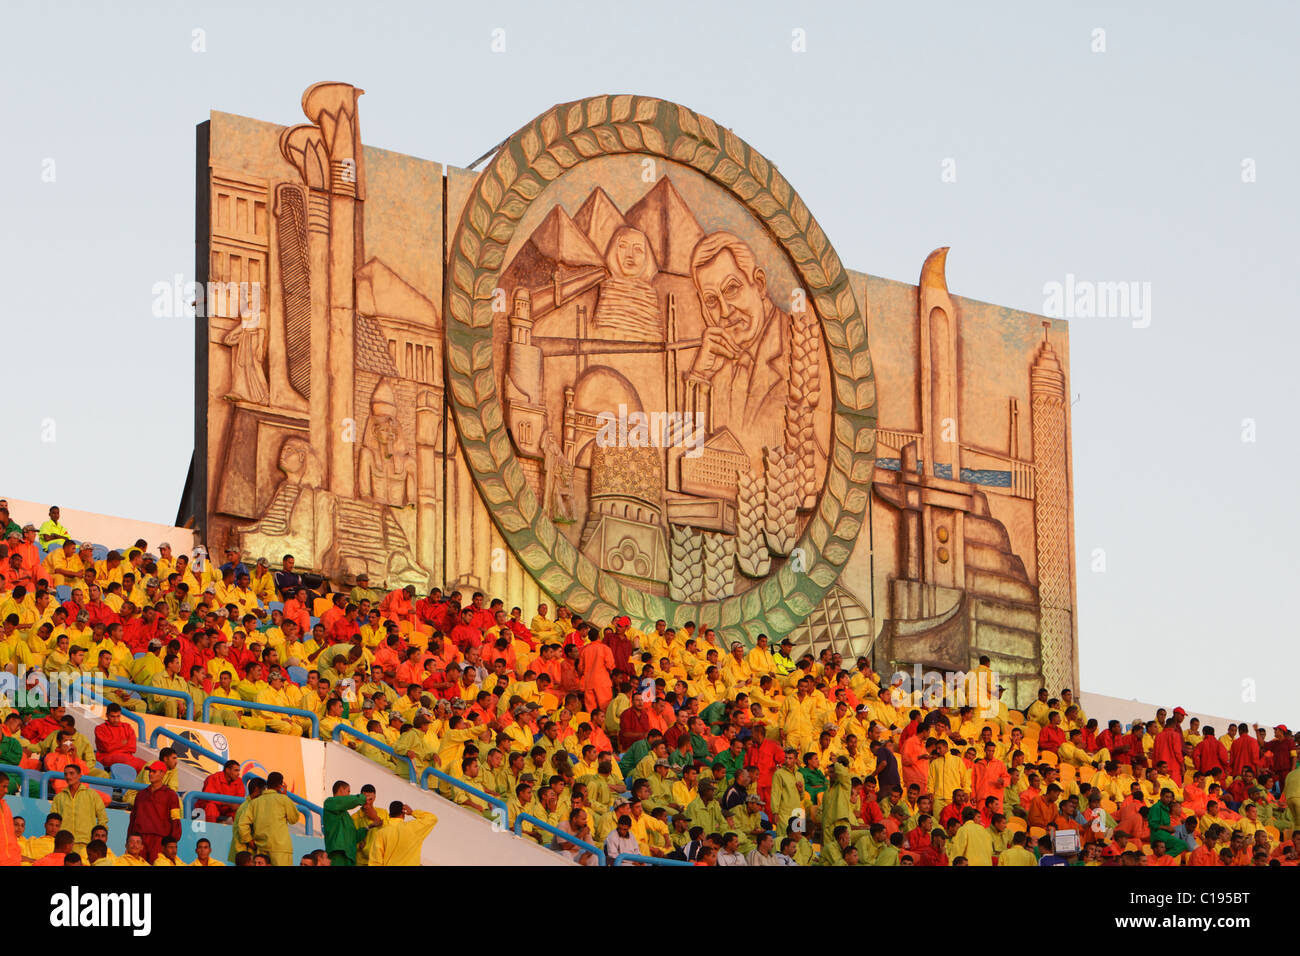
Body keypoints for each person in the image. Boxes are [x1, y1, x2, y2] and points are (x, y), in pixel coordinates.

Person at [238, 771, 301, 866]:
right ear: (281, 785)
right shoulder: (284, 800)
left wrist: (249, 840)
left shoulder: (255, 802)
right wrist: (285, 797)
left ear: (267, 784)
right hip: (281, 849)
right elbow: (294, 819)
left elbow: (242, 824)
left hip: (260, 847)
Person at [127, 760, 181, 862]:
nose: (150, 774)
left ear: (162, 774)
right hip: (140, 839)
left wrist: (172, 841)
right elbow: (133, 819)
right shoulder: (141, 795)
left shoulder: (171, 795)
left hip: (160, 840)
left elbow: (175, 819)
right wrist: (129, 839)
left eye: (154, 771)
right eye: (150, 771)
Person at [323, 779, 379, 867]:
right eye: (348, 791)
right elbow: (348, 801)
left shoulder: (347, 816)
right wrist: (364, 797)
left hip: (349, 856)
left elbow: (353, 836)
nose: (349, 795)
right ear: (341, 790)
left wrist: (368, 827)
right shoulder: (329, 803)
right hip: (338, 854)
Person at [368, 802, 438, 866]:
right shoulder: (413, 828)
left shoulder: (381, 833)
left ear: (389, 815)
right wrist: (412, 812)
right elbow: (432, 818)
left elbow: (375, 861)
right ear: (403, 814)